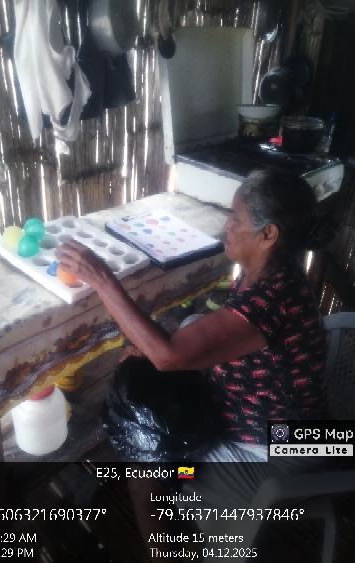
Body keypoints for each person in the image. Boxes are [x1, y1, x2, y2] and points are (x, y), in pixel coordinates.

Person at [55, 169, 328, 463]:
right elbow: (185, 348)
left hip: (275, 449)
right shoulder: (272, 275)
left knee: (150, 453)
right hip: (273, 420)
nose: (227, 225)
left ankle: (168, 483)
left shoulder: (269, 300)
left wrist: (100, 277)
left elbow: (168, 356)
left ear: (268, 234)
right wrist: (151, 349)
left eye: (236, 218)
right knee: (184, 331)